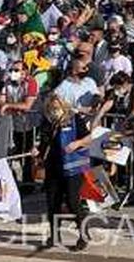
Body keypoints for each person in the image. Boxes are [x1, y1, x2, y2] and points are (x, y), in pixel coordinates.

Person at [37, 94, 94, 251]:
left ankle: (83, 234)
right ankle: (54, 235)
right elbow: (44, 143)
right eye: (51, 109)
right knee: (52, 203)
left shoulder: (74, 119)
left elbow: (89, 138)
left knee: (72, 201)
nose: (54, 111)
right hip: (53, 167)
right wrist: (37, 150)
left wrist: (77, 143)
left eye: (57, 108)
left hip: (72, 167)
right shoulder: (47, 122)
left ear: (63, 107)